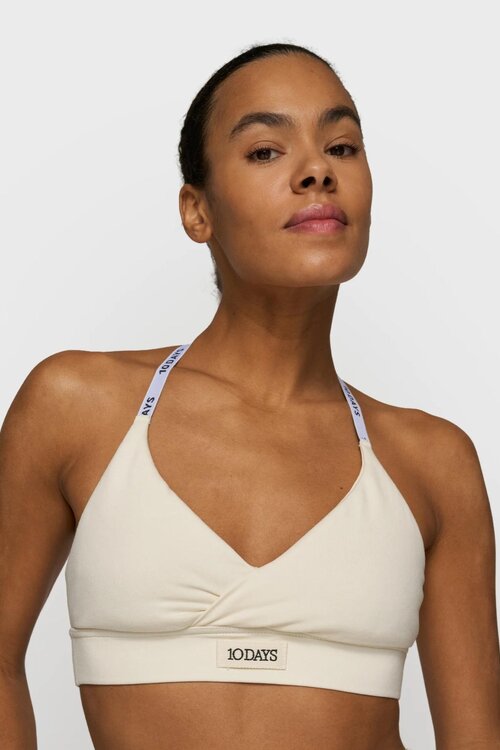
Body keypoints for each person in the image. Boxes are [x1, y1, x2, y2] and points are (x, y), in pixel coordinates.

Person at [1, 41, 499, 750]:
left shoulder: (434, 462)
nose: (318, 171)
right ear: (197, 211)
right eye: (266, 151)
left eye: (342, 146)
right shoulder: (76, 407)